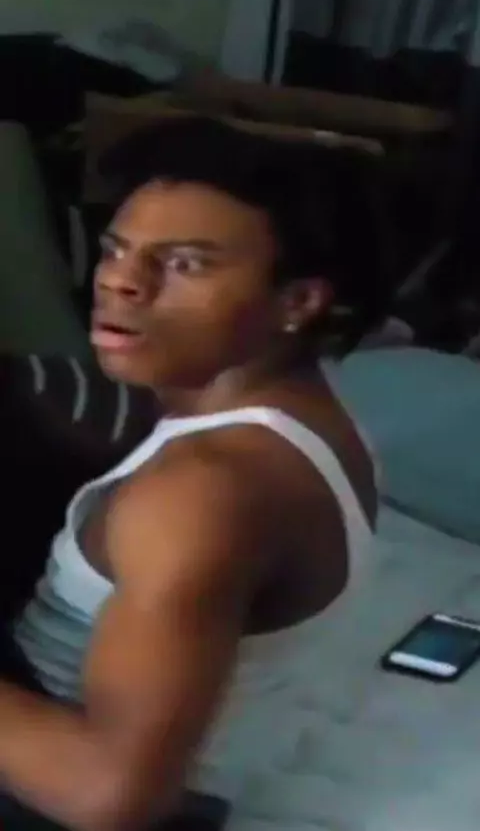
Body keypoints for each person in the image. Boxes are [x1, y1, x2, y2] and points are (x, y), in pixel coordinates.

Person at [0, 117, 388, 831]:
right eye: (117, 250)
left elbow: (110, 796)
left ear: (298, 301)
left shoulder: (202, 493)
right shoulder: (304, 413)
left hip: (49, 788)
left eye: (184, 265)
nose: (120, 281)